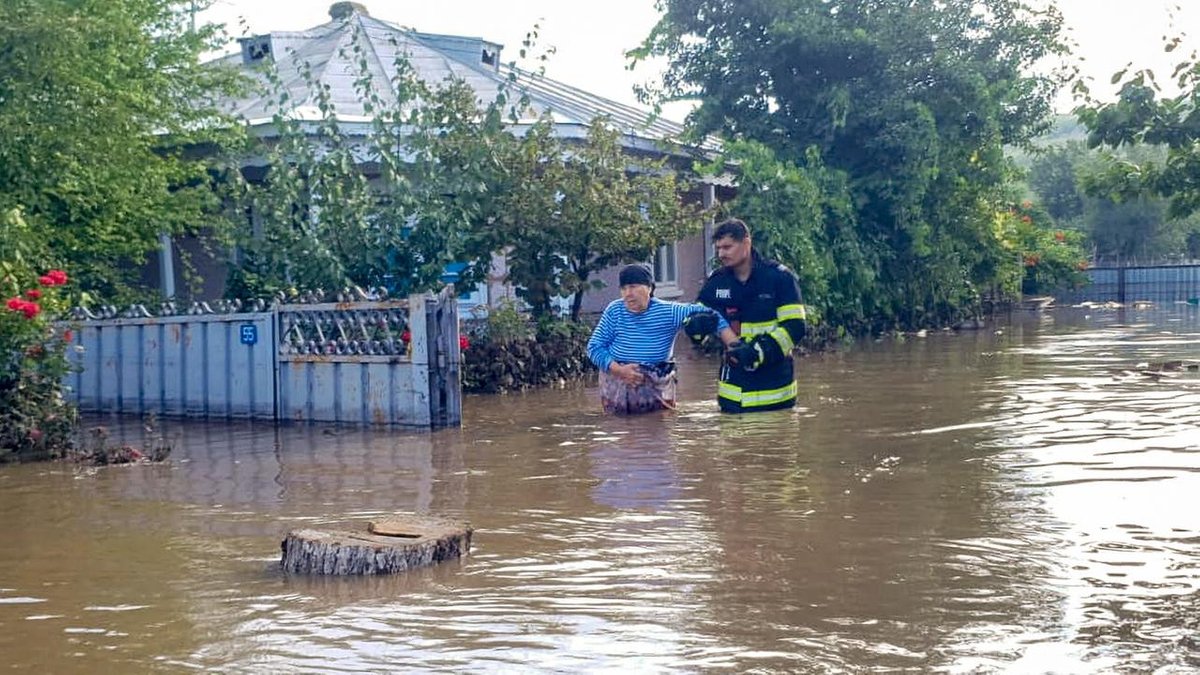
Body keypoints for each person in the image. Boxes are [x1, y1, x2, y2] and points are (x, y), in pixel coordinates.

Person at [687, 218, 808, 413]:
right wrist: (695, 327)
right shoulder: (716, 283)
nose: (721, 254)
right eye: (718, 248)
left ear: (746, 242)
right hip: (732, 400)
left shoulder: (779, 278)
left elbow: (795, 327)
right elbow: (695, 326)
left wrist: (758, 351)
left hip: (775, 398)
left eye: (727, 247)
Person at [588, 263, 736, 415]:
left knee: (659, 427)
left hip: (657, 386)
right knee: (619, 428)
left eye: (633, 287)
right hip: (617, 383)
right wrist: (619, 370)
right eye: (623, 288)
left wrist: (734, 346)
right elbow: (594, 347)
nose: (627, 294)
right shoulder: (614, 311)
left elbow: (714, 316)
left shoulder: (670, 312)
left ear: (649, 288)